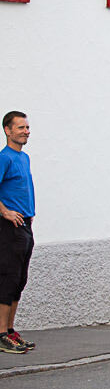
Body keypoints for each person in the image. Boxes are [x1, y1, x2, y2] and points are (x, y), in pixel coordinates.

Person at [0, 111, 35, 353]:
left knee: (19, 281)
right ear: (7, 130)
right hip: (9, 228)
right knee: (8, 278)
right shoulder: (4, 158)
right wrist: (5, 212)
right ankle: (1, 333)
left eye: (27, 127)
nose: (26, 131)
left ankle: (11, 330)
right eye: (20, 127)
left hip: (26, 226)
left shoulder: (24, 158)